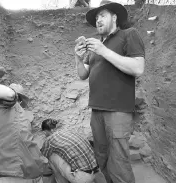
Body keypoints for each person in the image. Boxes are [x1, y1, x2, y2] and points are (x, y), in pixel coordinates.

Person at [74, 0, 145, 183]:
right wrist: (77, 57)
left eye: (102, 15)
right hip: (96, 110)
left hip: (118, 111)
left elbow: (138, 68)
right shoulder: (95, 46)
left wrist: (103, 51)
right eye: (96, 17)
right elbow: (83, 74)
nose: (98, 20)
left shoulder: (129, 34)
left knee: (119, 163)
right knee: (102, 157)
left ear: (114, 17)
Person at [40, 119, 107, 183]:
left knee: (51, 157)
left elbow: (43, 157)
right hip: (96, 171)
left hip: (82, 178)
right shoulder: (70, 131)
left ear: (44, 132)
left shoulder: (49, 140)